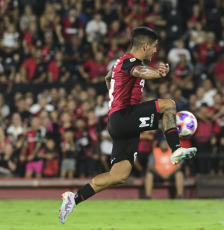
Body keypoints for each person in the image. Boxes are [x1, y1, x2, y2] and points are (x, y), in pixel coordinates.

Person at [59, 27, 197, 224]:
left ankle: (74, 199)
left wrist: (113, 98)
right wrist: (157, 73)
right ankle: (176, 150)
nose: (155, 51)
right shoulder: (131, 62)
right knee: (169, 105)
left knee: (119, 175)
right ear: (145, 45)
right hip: (123, 117)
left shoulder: (119, 63)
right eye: (155, 47)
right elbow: (139, 71)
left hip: (121, 121)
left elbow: (109, 78)